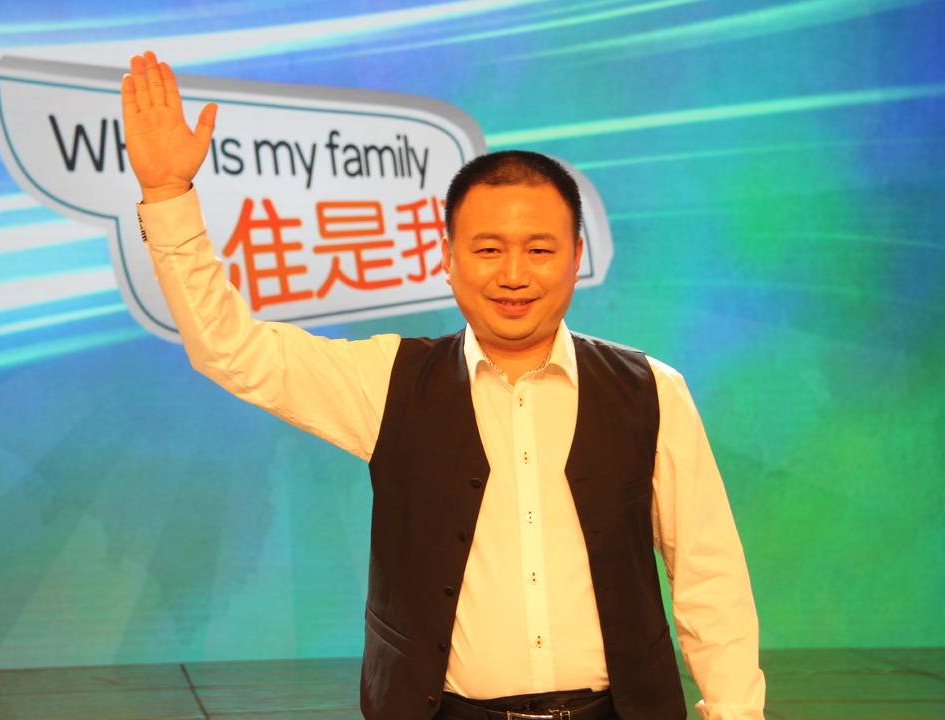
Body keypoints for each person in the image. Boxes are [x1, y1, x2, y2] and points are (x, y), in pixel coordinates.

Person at [121, 50, 767, 720]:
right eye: (488, 249)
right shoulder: (389, 381)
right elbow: (231, 348)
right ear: (447, 259)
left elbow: (708, 574)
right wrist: (168, 196)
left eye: (539, 249)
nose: (513, 274)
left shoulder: (652, 390)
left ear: (577, 257)